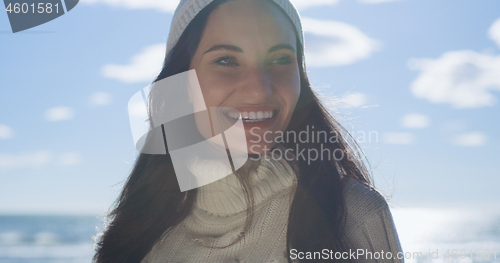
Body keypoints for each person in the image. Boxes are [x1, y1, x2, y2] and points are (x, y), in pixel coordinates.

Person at [94, 0, 404, 262]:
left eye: (281, 59)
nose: (258, 90)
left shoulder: (355, 215)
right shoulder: (134, 234)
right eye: (226, 60)